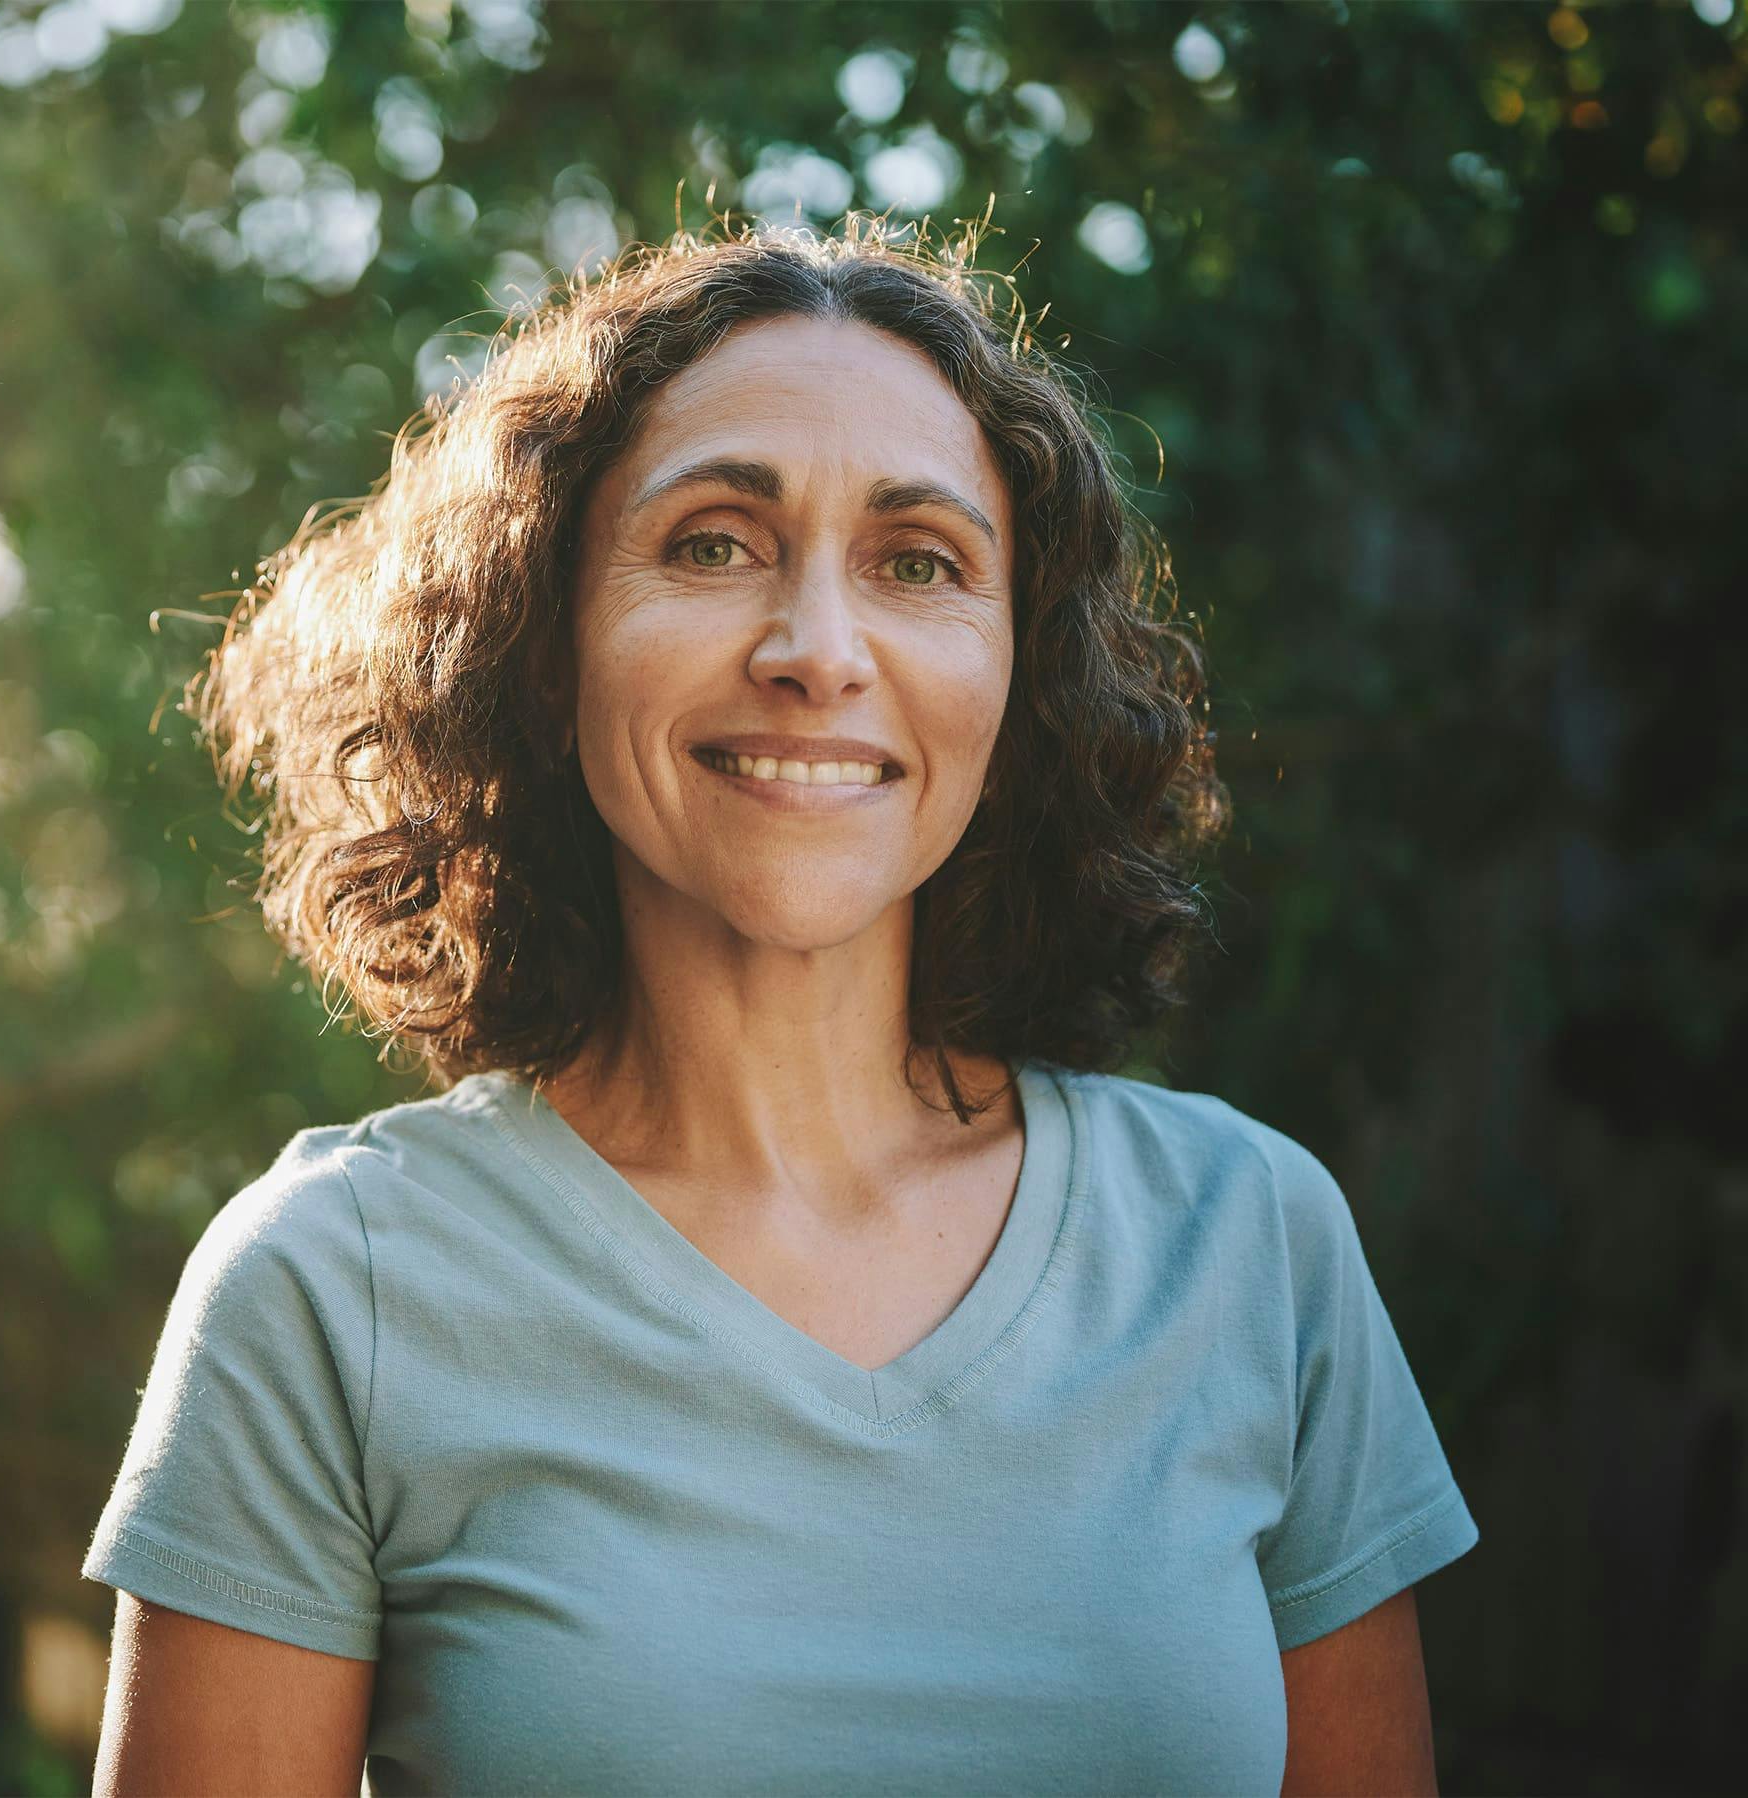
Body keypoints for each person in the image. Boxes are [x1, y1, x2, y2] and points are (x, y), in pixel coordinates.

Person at [82, 219, 1479, 1797]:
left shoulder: (1250, 1245)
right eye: (713, 543)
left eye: (919, 564)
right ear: (545, 645)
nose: (820, 650)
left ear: (1018, 676)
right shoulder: (337, 1289)